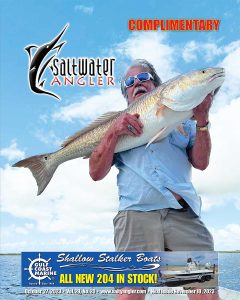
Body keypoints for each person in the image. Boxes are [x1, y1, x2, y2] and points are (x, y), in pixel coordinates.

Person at [89, 59, 218, 300]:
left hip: (182, 215)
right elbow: (96, 173)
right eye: (130, 82)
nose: (137, 83)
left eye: (144, 78)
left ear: (158, 86)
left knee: (205, 293)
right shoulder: (114, 126)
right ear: (126, 93)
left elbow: (201, 163)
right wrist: (113, 133)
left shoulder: (184, 119)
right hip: (135, 215)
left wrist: (202, 121)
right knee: (130, 294)